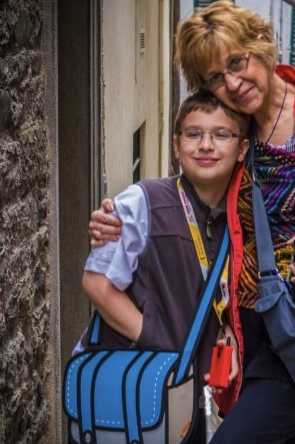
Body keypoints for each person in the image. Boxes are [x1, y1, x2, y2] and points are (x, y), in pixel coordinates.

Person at [90, 0, 295, 442]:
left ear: (261, 46)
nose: (233, 82)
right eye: (214, 78)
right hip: (249, 333)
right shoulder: (234, 132)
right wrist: (119, 219)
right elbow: (193, 191)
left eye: (237, 62)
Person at [72, 92, 247, 442]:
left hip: (187, 393)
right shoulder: (143, 201)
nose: (206, 145)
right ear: (176, 145)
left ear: (242, 149)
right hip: (128, 384)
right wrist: (163, 343)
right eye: (194, 134)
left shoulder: (241, 219)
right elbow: (97, 285)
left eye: (221, 134)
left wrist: (225, 332)